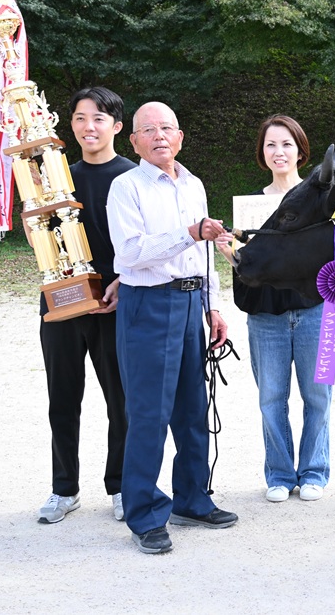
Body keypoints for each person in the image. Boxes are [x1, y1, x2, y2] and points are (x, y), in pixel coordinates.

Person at [107, 101, 238, 554]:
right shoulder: (126, 187)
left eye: (168, 128)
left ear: (180, 136)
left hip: (189, 301)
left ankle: (193, 499)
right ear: (135, 141)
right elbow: (128, 254)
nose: (160, 136)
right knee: (148, 414)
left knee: (191, 408)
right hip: (147, 304)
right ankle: (144, 514)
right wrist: (190, 231)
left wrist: (213, 306)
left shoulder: (195, 183)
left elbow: (203, 252)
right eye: (150, 129)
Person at [215, 115, 333, 503]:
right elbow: (250, 269)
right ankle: (280, 474)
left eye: (286, 144)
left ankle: (314, 471)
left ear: (301, 150)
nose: (279, 152)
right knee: (270, 399)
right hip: (265, 317)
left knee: (319, 397)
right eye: (271, 145)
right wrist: (231, 255)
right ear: (261, 153)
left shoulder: (321, 201)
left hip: (316, 311)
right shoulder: (251, 207)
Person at [35, 86, 135, 525]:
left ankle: (120, 485)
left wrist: (122, 284)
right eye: (79, 117)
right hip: (62, 302)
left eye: (98, 118)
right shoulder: (57, 179)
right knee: (62, 399)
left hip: (116, 302)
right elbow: (43, 237)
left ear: (116, 126)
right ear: (70, 124)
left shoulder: (133, 178)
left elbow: (143, 246)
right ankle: (64, 489)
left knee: (122, 401)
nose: (88, 126)